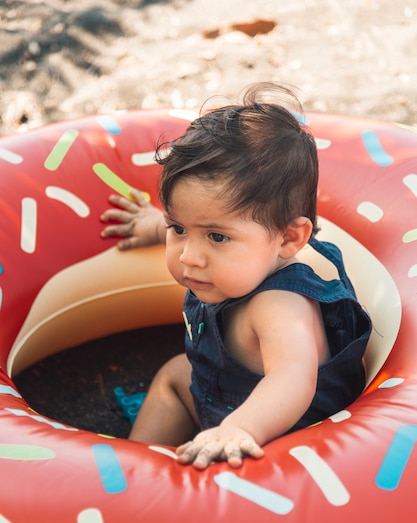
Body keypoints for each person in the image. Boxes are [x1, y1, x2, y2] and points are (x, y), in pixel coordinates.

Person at [100, 82, 371, 470]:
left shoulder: (281, 304)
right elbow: (192, 226)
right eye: (177, 228)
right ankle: (134, 470)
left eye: (216, 236)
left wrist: (240, 428)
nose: (189, 257)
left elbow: (293, 378)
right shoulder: (228, 264)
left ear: (289, 238)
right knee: (174, 376)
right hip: (222, 402)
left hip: (281, 446)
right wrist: (154, 226)